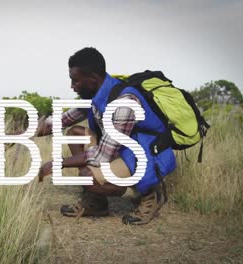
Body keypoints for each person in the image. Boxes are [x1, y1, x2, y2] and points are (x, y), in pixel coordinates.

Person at [36, 47, 176, 225]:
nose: (72, 87)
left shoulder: (124, 103)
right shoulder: (97, 94)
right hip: (124, 149)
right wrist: (20, 135)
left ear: (93, 79)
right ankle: (97, 202)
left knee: (88, 175)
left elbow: (103, 155)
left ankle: (150, 195)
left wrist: (57, 163)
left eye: (75, 81)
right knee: (74, 133)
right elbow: (61, 121)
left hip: (146, 155)